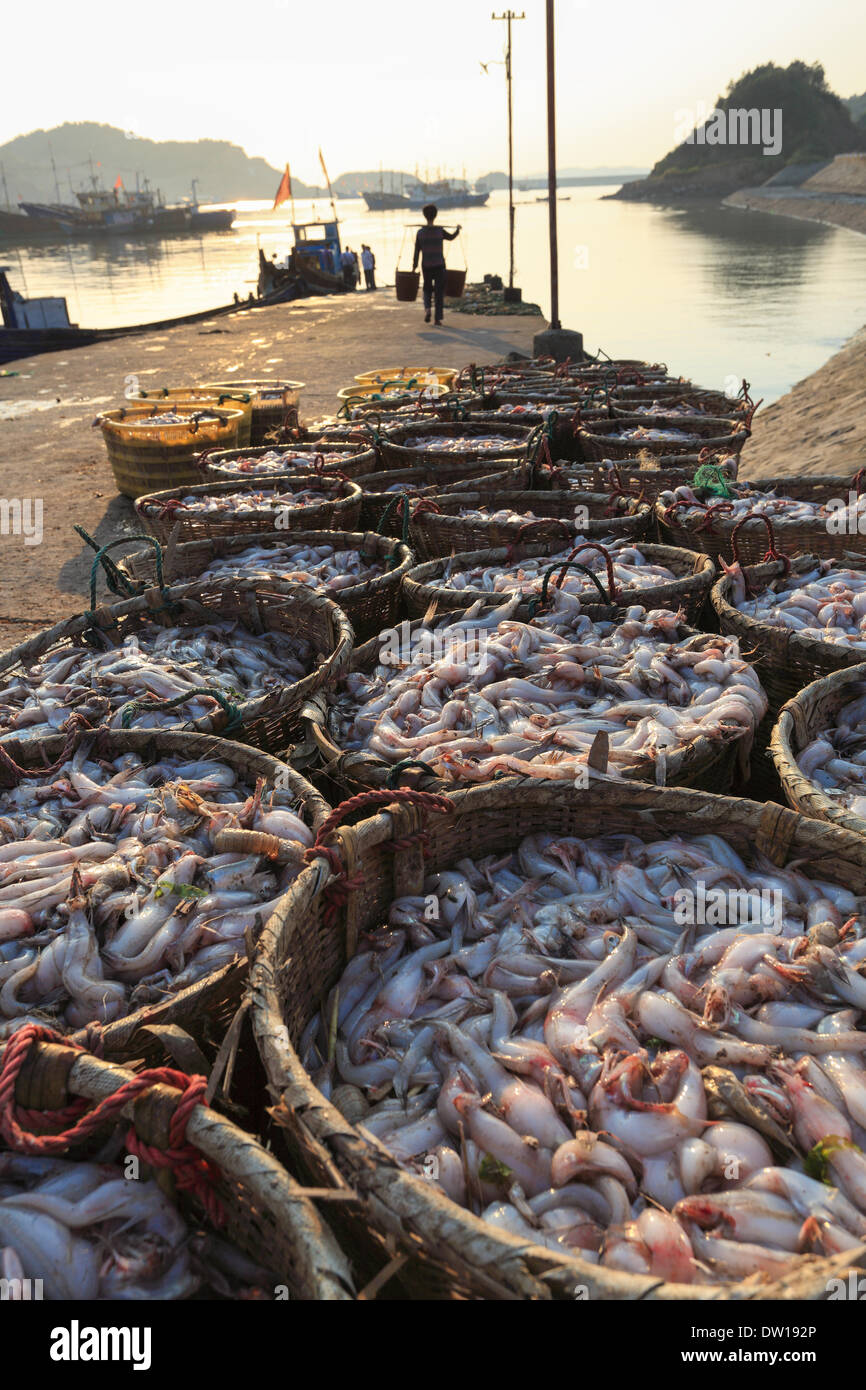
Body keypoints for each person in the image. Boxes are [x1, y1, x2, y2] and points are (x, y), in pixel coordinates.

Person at [412, 204, 460, 326]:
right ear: (435, 215)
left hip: (426, 266)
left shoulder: (420, 233)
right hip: (439, 265)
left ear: (424, 216)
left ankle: (427, 309)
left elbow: (417, 251)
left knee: (427, 289)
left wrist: (414, 265)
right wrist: (458, 230)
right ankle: (437, 319)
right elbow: (451, 237)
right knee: (439, 293)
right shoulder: (440, 231)